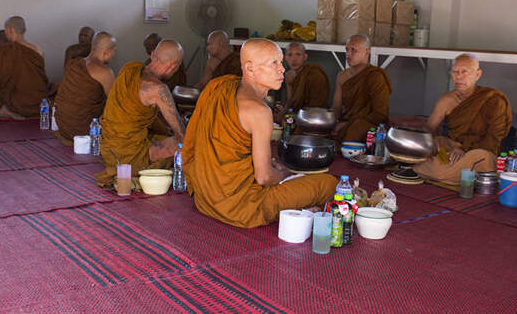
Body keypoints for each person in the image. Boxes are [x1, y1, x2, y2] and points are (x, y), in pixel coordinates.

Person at [183, 38, 337, 228]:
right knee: (328, 184)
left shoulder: (218, 86)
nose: (281, 69)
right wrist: (284, 175)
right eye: (274, 63)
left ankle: (304, 207)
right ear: (249, 68)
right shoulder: (260, 111)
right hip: (241, 206)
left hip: (205, 198)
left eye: (281, 62)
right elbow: (264, 178)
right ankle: (305, 208)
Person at [95, 39, 186, 188]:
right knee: (186, 145)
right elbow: (181, 133)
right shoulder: (158, 89)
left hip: (108, 148)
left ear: (152, 55)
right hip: (129, 155)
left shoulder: (129, 68)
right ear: (173, 66)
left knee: (162, 137)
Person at [413, 54, 512, 187]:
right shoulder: (447, 100)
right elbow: (429, 128)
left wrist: (464, 150)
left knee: (442, 168)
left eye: (465, 72)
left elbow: (493, 140)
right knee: (434, 144)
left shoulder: (493, 100)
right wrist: (430, 141)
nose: (459, 77)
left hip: (480, 153)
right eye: (455, 72)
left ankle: (426, 169)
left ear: (477, 75)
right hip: (451, 150)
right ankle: (448, 170)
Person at [54, 32, 116, 145]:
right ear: (107, 52)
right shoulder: (105, 72)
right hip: (84, 129)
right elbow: (115, 104)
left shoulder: (74, 63)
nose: (113, 55)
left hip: (62, 125)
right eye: (113, 52)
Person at [0, 16, 49, 120]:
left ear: (10, 30)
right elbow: (40, 78)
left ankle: (4, 112)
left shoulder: (4, 51)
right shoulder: (37, 50)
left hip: (15, 102)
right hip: (36, 103)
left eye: (6, 30)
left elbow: (0, 78)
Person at [331, 34, 392, 142]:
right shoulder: (342, 76)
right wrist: (333, 122)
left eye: (353, 50)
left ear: (367, 52)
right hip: (347, 120)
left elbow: (380, 114)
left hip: (367, 123)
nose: (348, 54)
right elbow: (336, 107)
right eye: (347, 49)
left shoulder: (376, 76)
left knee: (356, 129)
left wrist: (348, 124)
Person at [277, 42, 330, 120]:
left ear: (305, 57)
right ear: (285, 58)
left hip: (313, 116)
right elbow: (290, 101)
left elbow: (318, 105)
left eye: (298, 54)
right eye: (290, 55)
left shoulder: (314, 74)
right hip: (295, 115)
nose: (294, 59)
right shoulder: (288, 76)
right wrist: (282, 114)